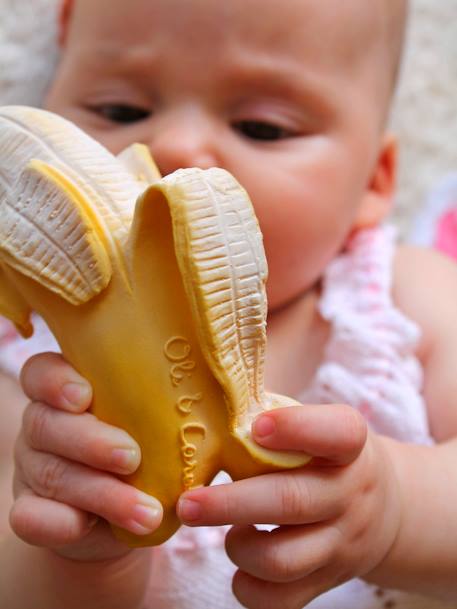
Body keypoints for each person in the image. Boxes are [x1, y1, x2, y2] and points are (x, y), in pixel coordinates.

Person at [1, 0, 457, 607]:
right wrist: (76, 554)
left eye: (261, 127)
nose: (174, 147)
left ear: (373, 182)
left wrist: (398, 510)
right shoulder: (35, 373)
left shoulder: (406, 301)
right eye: (121, 110)